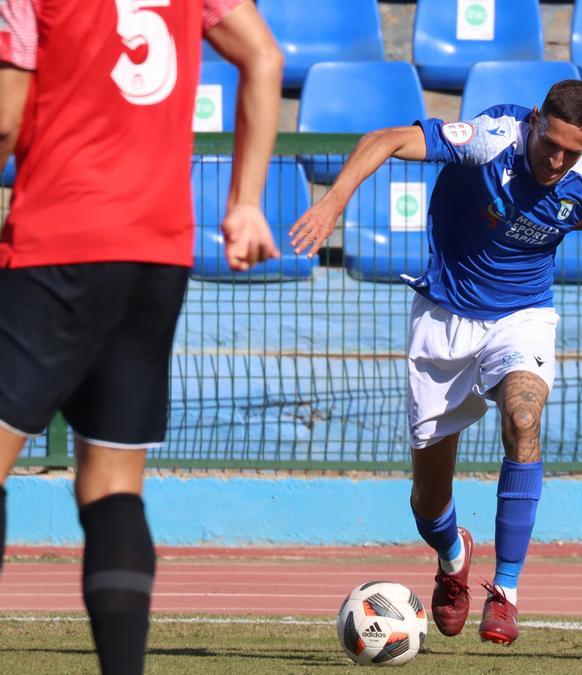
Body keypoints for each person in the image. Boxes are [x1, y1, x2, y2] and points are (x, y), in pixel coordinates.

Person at [0, 0, 282, 671]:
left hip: (58, 240)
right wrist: (244, 202)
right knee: (113, 484)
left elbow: (5, 119)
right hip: (157, 251)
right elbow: (265, 57)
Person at [290, 80, 582, 646]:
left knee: (523, 418)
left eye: (575, 152)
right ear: (536, 120)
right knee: (428, 501)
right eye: (552, 145)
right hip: (443, 319)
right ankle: (451, 554)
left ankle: (506, 593)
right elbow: (387, 138)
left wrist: (562, 209)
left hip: (522, 315)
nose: (559, 161)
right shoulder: (491, 138)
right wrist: (332, 202)